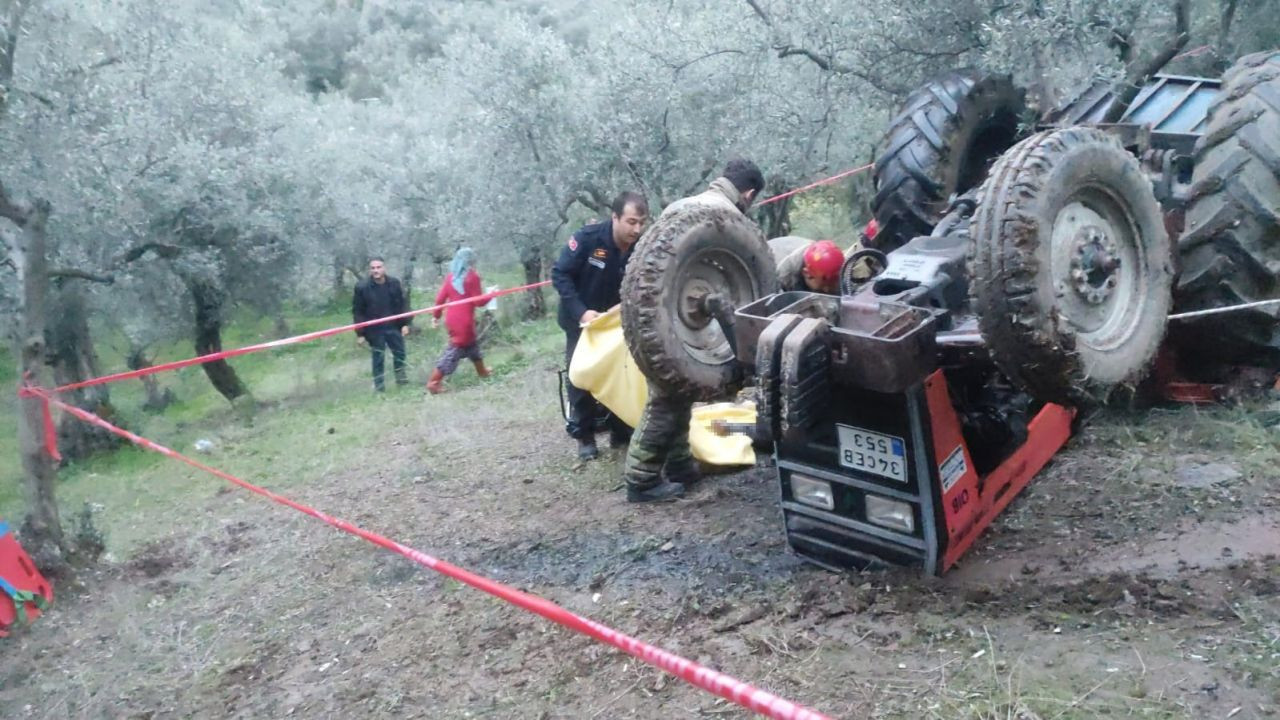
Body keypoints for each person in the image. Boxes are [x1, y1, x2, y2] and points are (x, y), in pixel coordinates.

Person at [622, 158, 766, 503]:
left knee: (679, 393)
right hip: (678, 321)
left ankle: (680, 467)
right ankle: (641, 480)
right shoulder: (728, 217)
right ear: (748, 193)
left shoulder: (681, 206)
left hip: (652, 314)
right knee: (666, 401)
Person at [552, 191, 649, 460]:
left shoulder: (642, 246)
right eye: (631, 222)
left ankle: (621, 429)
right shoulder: (588, 238)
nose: (637, 229)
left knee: (622, 373)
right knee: (580, 375)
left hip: (617, 322)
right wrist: (582, 313)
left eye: (642, 222)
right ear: (615, 217)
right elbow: (560, 274)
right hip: (581, 321)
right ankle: (584, 436)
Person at [427, 247, 490, 394]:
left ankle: (482, 371)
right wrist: (492, 295)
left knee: (472, 345)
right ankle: (433, 382)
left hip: (452, 319)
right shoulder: (472, 276)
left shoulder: (450, 276)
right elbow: (478, 302)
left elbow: (440, 299)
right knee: (455, 350)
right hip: (465, 320)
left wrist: (435, 317)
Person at [352, 256, 410, 392]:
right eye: (373, 268)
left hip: (393, 326)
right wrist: (360, 334)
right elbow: (357, 311)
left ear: (384, 268)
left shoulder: (394, 283)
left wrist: (404, 324)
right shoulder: (362, 287)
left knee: (400, 353)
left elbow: (401, 305)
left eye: (378, 267)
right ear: (369, 270)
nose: (376, 270)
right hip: (374, 330)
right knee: (378, 358)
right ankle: (379, 387)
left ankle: (401, 380)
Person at [770, 237, 845, 293]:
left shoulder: (838, 265)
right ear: (807, 274)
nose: (827, 290)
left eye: (832, 284)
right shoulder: (785, 276)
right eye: (823, 286)